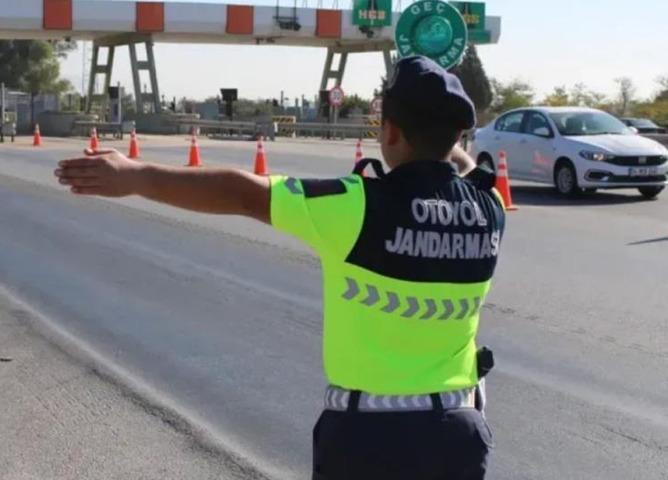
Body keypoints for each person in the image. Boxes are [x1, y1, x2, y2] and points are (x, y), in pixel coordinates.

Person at [54, 55, 505, 479]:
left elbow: (243, 193)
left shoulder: (358, 206)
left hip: (370, 439)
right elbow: (458, 166)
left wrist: (135, 175)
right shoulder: (490, 208)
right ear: (457, 136)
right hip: (457, 434)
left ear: (389, 133)